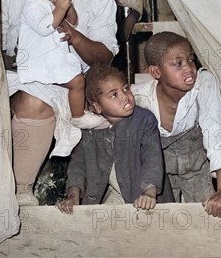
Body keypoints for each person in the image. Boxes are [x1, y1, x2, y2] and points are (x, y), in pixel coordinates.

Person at [1, 0, 119, 206]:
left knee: (39, 98)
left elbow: (103, 58)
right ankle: (5, 188)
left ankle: (25, 188)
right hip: (19, 77)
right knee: (23, 96)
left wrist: (71, 34)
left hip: (70, 84)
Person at [132, 32, 221, 218]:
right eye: (178, 63)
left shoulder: (204, 84)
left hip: (196, 170)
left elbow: (215, 131)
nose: (189, 68)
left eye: (191, 60)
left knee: (208, 220)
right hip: (159, 175)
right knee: (161, 224)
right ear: (156, 72)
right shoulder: (139, 98)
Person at [57, 65, 171, 213]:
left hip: (142, 197)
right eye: (114, 95)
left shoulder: (144, 120)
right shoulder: (90, 129)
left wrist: (149, 192)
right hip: (109, 198)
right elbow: (78, 165)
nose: (125, 96)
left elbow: (152, 158)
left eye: (125, 88)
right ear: (97, 107)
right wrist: (73, 196)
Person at [16, 0, 85, 120]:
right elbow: (45, 27)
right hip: (39, 63)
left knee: (79, 80)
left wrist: (67, 7)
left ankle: (73, 117)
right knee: (78, 82)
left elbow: (74, 21)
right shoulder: (33, 6)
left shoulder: (50, 5)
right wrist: (60, 8)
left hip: (51, 60)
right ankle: (78, 118)